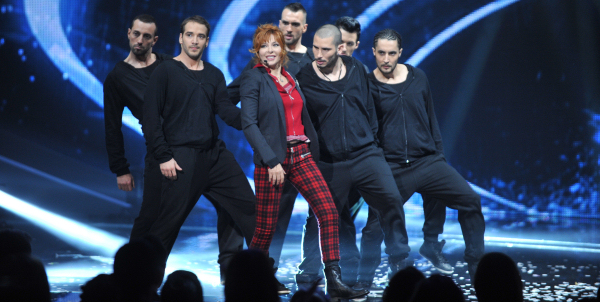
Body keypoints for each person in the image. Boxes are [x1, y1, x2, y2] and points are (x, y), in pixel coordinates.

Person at [103, 14, 244, 283]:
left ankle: (230, 267)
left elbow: (206, 93)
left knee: (231, 206)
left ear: (156, 40)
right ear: (128, 34)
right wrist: (120, 168)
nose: (140, 40)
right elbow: (112, 126)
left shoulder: (171, 64)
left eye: (147, 36)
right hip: (162, 152)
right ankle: (131, 278)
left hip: (195, 149)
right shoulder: (118, 77)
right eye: (136, 34)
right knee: (152, 220)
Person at [239, 23, 368, 301]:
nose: (270, 50)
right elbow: (248, 123)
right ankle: (250, 280)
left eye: (275, 44)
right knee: (265, 227)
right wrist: (271, 160)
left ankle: (334, 280)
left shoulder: (290, 76)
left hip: (302, 156)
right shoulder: (254, 78)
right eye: (264, 46)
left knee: (328, 211)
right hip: (273, 160)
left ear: (282, 48)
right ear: (257, 51)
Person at [295, 24, 412, 288]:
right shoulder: (304, 78)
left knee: (391, 200)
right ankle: (310, 273)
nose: (319, 54)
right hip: (330, 161)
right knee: (320, 217)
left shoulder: (356, 68)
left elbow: (368, 107)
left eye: (325, 49)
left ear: (339, 48)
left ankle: (400, 260)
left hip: (365, 155)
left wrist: (369, 141)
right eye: (315, 48)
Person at [368, 28, 485, 280]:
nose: (386, 59)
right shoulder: (368, 85)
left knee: (471, 201)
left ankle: (475, 264)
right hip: (393, 165)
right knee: (375, 223)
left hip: (428, 161)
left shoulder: (417, 77)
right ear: (373, 53)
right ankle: (395, 263)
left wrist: (439, 157)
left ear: (400, 53)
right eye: (381, 53)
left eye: (391, 53)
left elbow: (431, 119)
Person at [141, 15, 256, 270]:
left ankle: (258, 274)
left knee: (249, 209)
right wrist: (163, 156)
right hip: (180, 158)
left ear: (207, 41)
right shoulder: (165, 71)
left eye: (201, 36)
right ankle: (141, 282)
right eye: (190, 35)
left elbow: (225, 110)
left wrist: (255, 120)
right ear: (180, 38)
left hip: (215, 155)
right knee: (167, 225)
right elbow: (149, 119)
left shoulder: (213, 74)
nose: (195, 41)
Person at [227, 2, 315, 281]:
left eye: (294, 24)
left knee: (321, 212)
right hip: (273, 156)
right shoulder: (259, 64)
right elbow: (229, 97)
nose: (288, 29)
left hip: (304, 152)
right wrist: (249, 125)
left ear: (304, 27)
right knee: (270, 222)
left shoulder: (314, 60)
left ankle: (311, 273)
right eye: (284, 23)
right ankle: (262, 276)